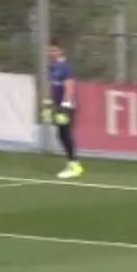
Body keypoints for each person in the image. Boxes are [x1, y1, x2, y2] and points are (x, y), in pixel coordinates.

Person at [46, 41, 84, 179]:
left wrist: (65, 106)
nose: (51, 53)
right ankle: (72, 163)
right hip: (58, 105)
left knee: (66, 134)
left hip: (66, 106)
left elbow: (69, 88)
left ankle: (75, 165)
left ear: (61, 50)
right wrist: (50, 103)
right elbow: (54, 88)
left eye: (54, 50)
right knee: (61, 135)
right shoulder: (53, 67)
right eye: (50, 50)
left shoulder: (65, 67)